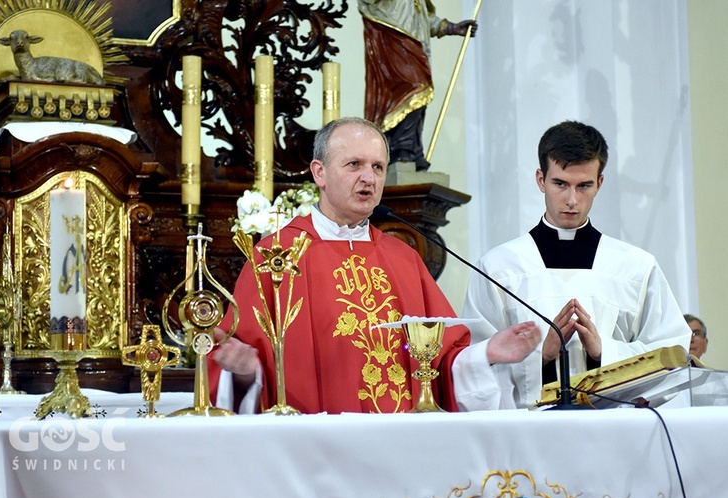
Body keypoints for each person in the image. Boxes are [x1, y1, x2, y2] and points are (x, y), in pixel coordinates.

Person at [208, 117, 541, 414]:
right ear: (319, 172)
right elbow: (241, 361)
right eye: (354, 164)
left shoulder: (403, 257)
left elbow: (439, 364)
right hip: (312, 451)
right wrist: (243, 373)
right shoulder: (277, 256)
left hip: (399, 447)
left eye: (378, 167)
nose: (369, 177)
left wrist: (487, 355)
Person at [462, 120, 692, 408]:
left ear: (600, 183)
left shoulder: (635, 267)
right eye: (560, 184)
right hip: (526, 436)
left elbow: (672, 354)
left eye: (584, 185)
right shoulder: (499, 268)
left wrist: (603, 353)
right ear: (540, 179)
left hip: (615, 433)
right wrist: (541, 357)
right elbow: (473, 365)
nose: (572, 200)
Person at [358, 0, 476, 171]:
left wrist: (450, 27)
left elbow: (423, 16)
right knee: (413, 89)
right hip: (390, 37)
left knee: (420, 95)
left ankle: (413, 150)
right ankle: (401, 148)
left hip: (416, 44)